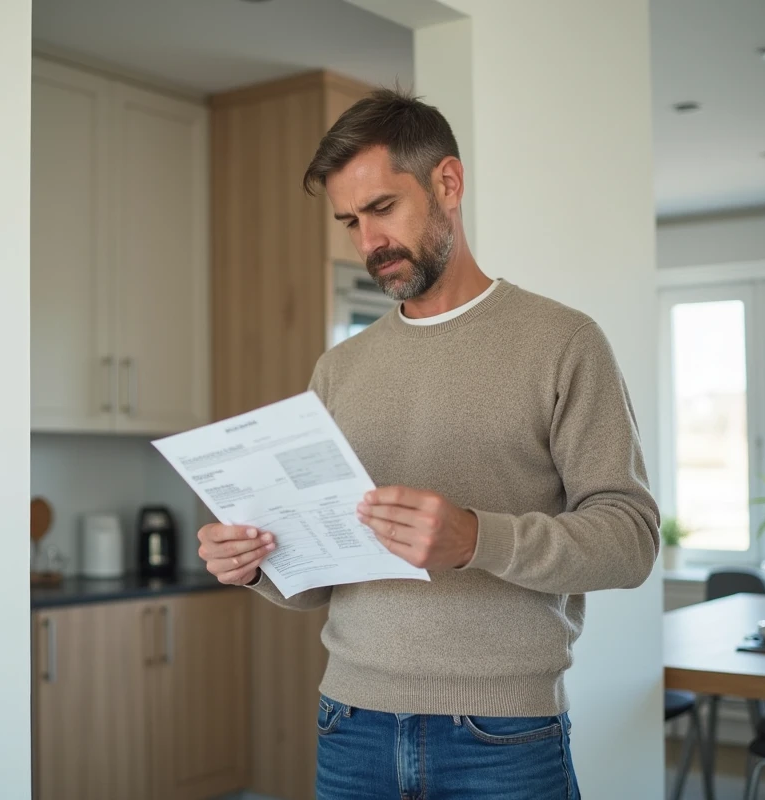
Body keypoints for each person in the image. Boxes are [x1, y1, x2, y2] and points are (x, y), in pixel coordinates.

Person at [195, 88, 659, 800]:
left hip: (502, 738)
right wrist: (258, 563)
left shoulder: (563, 342)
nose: (367, 242)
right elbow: (321, 581)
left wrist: (476, 539)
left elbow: (631, 540)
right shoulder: (339, 368)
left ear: (448, 182)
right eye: (350, 222)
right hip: (350, 727)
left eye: (382, 208)